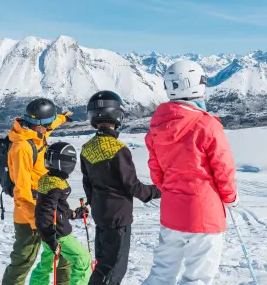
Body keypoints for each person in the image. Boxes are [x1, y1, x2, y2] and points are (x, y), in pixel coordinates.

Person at [142, 60, 238, 285]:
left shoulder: (157, 126)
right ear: (197, 85)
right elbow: (223, 168)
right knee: (198, 278)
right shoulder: (206, 125)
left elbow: (157, 173)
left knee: (161, 273)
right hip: (204, 213)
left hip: (172, 212)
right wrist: (230, 197)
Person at [80, 90, 162, 285]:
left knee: (103, 264)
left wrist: (95, 204)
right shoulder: (118, 149)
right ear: (117, 116)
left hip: (100, 215)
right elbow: (132, 185)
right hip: (118, 217)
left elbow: (87, 183)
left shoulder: (86, 148)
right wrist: (160, 190)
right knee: (114, 268)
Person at [1, 98, 74, 285]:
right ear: (38, 124)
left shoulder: (36, 132)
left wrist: (62, 118)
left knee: (64, 255)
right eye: (47, 124)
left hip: (48, 206)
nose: (50, 127)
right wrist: (37, 222)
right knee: (23, 261)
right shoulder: (22, 148)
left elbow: (51, 125)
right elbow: (21, 192)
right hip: (29, 215)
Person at [30, 141, 92, 285]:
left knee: (46, 264)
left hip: (49, 233)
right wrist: (51, 238)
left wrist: (75, 214)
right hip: (59, 234)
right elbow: (44, 214)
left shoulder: (48, 180)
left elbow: (58, 209)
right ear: (65, 164)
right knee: (82, 259)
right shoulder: (56, 186)